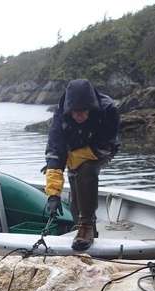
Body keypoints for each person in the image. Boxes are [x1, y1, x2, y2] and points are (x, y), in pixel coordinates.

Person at [44, 79, 120, 251]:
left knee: (86, 170)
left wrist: (73, 159)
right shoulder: (60, 115)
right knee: (74, 184)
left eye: (83, 111)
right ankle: (84, 225)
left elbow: (106, 144)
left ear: (91, 108)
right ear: (69, 110)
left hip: (100, 148)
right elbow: (55, 151)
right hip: (72, 148)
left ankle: (86, 227)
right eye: (75, 112)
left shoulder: (108, 110)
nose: (79, 115)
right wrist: (53, 195)